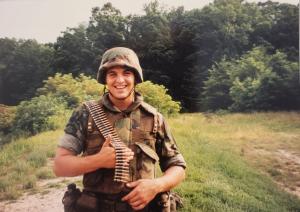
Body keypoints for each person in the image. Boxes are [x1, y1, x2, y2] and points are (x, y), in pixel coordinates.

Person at [53, 47, 186, 212]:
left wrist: (156, 185)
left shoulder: (154, 118)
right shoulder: (86, 114)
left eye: (127, 73)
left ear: (136, 77)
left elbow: (177, 166)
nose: (120, 80)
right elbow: (59, 165)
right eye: (112, 74)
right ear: (105, 79)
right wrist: (98, 161)